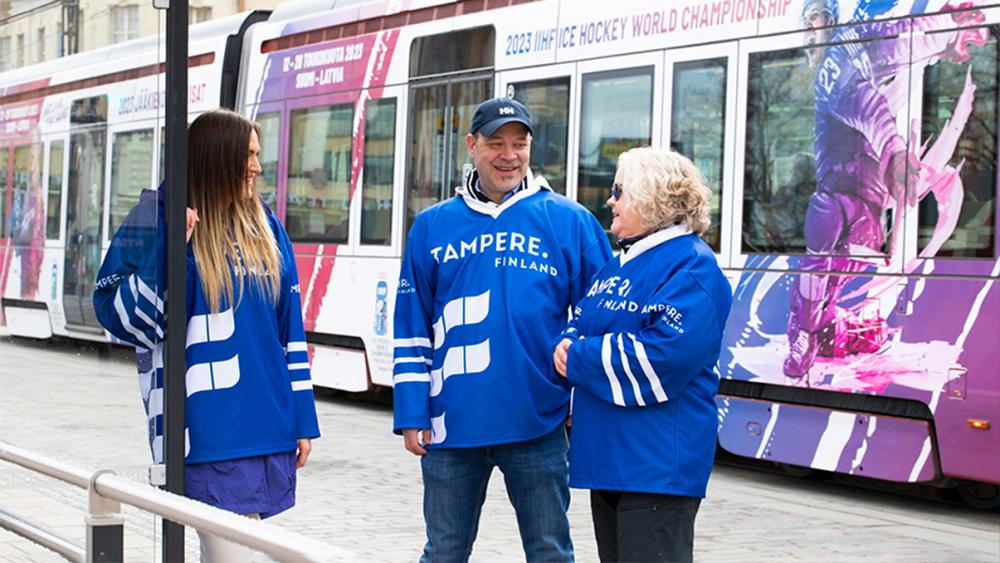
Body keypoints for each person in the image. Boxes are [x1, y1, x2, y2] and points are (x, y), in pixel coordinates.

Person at [92, 108, 320, 561]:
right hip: (202, 436)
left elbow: (288, 332)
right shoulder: (156, 215)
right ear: (217, 158)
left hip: (265, 430)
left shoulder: (267, 227)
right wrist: (169, 246)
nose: (257, 167)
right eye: (247, 155)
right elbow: (118, 317)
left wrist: (302, 419)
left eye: (257, 155)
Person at [392, 97, 612, 562]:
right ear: (471, 146)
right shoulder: (431, 227)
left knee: (550, 551)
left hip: (539, 422)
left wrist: (580, 394)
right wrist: (411, 411)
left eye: (520, 143)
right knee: (444, 551)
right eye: (496, 143)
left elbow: (600, 312)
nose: (508, 155)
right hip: (450, 426)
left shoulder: (570, 221)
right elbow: (412, 326)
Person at [785, 0, 987, 378]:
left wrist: (946, 30)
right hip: (844, 190)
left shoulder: (841, 54)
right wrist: (945, 30)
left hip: (868, 194)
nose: (814, 35)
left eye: (820, 23)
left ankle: (815, 326)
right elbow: (874, 82)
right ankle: (807, 332)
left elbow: (883, 66)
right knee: (825, 236)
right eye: (810, 25)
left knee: (846, 256)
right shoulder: (840, 60)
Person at [553, 147, 732, 563]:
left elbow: (662, 358)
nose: (609, 201)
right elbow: (580, 323)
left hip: (655, 469)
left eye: (619, 191)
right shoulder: (620, 263)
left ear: (652, 199)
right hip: (609, 462)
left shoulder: (692, 266)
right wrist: (574, 346)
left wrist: (577, 357)